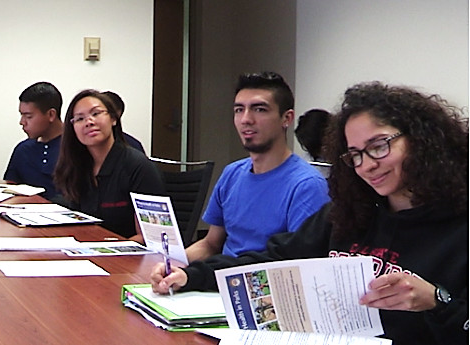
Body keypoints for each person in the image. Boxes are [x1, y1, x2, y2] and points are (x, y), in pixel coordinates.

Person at [151, 82, 468, 345]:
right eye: (355, 155)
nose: (367, 165)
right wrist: (192, 275)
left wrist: (437, 300)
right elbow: (275, 259)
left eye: (379, 145)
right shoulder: (348, 214)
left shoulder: (459, 227)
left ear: (422, 141)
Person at [183, 72, 330, 262]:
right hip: (219, 279)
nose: (246, 119)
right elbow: (210, 244)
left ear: (286, 118)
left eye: (259, 109)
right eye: (239, 110)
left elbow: (297, 265)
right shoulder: (232, 173)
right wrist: (171, 265)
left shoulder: (307, 186)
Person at [53, 89, 164, 240]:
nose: (89, 122)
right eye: (79, 119)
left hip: (128, 257)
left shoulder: (138, 166)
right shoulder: (77, 165)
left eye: (96, 113)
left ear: (113, 118)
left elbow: (152, 235)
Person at [4, 81, 64, 200]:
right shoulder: (23, 149)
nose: (22, 122)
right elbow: (9, 188)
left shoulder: (76, 147)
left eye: (28, 116)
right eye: (21, 115)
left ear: (51, 115)